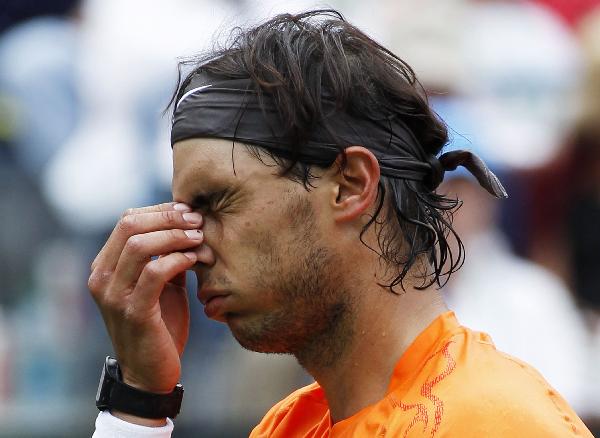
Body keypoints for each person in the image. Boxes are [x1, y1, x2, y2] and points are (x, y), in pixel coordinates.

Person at [89, 10, 593, 437]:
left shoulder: (492, 421)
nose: (192, 246)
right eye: (185, 212)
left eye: (217, 202)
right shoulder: (288, 424)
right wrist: (139, 399)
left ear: (351, 184)